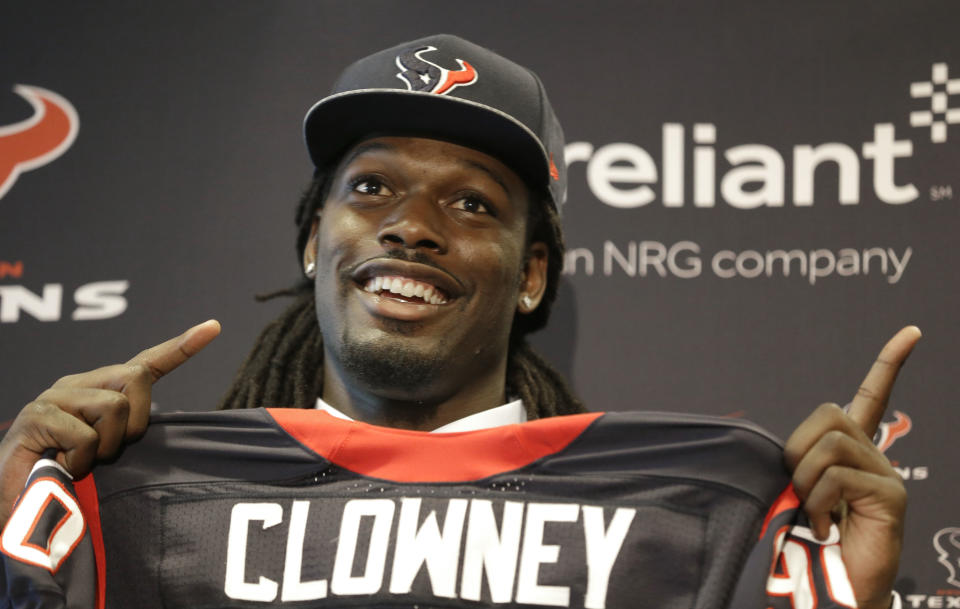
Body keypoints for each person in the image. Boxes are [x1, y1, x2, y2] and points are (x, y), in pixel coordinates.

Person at [0, 35, 917, 609]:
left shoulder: (686, 521)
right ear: (314, 241)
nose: (411, 224)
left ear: (531, 277)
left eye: (473, 205)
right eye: (371, 188)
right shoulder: (138, 505)